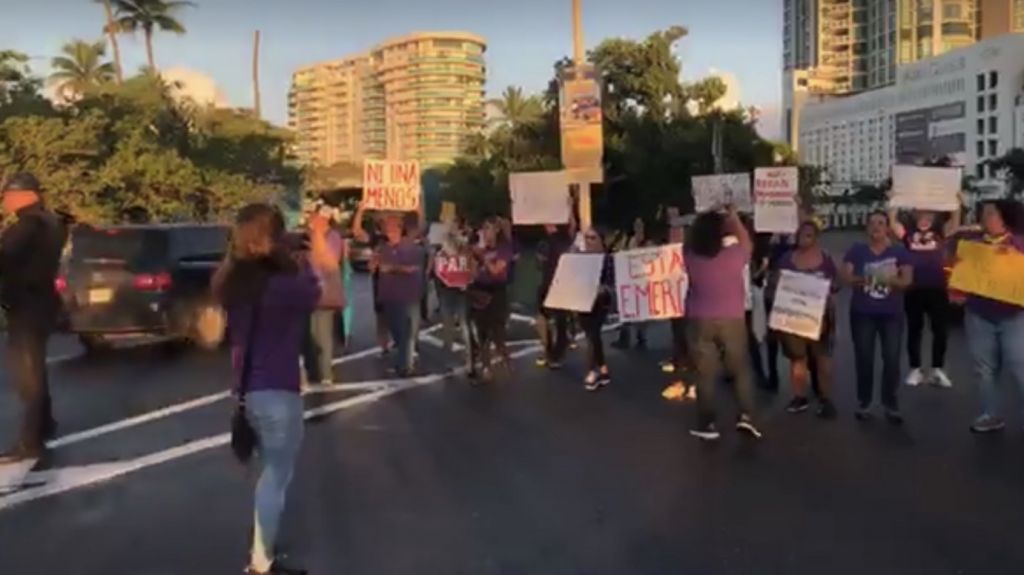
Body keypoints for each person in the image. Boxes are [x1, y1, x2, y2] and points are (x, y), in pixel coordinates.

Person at [213, 203, 339, 575]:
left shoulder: (231, 282)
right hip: (278, 393)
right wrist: (317, 240)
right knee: (276, 478)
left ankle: (260, 552)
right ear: (273, 238)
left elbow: (230, 269)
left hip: (245, 390)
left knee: (268, 474)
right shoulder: (284, 285)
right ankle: (261, 563)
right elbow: (335, 295)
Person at [0, 173, 68, 463]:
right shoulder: (51, 222)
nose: (4, 201)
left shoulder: (28, 226)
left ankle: (31, 441)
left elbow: (4, 257)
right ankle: (46, 423)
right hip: (41, 302)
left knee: (28, 375)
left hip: (26, 305)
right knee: (35, 368)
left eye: (7, 195)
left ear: (25, 195)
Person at [684, 205, 761, 441]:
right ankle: (746, 416)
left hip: (699, 319)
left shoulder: (689, 255)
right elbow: (747, 241)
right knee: (740, 370)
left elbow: (682, 240)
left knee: (705, 373)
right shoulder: (735, 255)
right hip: (732, 318)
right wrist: (733, 219)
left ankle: (707, 424)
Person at [956, 200, 1024, 433]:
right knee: (984, 369)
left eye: (991, 213)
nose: (986, 218)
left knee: (1019, 367)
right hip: (979, 315)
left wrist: (1013, 247)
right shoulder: (974, 247)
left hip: (1014, 316)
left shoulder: (1018, 244)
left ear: (1005, 217)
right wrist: (956, 291)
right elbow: (960, 274)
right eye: (984, 214)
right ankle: (990, 414)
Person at [841, 210, 913, 424]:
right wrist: (863, 279)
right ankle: (865, 401)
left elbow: (907, 281)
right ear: (866, 228)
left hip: (891, 314)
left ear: (887, 228)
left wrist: (887, 279)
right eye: (872, 223)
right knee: (864, 359)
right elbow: (845, 276)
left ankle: (890, 403)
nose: (876, 227)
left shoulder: (900, 252)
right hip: (863, 313)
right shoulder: (857, 250)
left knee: (891, 360)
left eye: (881, 223)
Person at [770, 221, 839, 419]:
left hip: (820, 319)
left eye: (809, 235)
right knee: (797, 359)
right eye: (801, 234)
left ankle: (826, 399)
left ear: (816, 238)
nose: (804, 238)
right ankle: (799, 397)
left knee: (823, 360)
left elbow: (836, 284)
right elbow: (775, 282)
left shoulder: (825, 259)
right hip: (793, 320)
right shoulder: (786, 259)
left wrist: (823, 291)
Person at [888, 203, 961, 388]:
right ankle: (915, 369)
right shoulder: (908, 234)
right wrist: (894, 202)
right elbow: (892, 221)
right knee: (914, 329)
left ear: (935, 217)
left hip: (937, 288)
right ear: (914, 215)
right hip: (914, 288)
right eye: (920, 214)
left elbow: (955, 219)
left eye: (928, 215)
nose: (924, 218)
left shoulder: (940, 233)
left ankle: (938, 369)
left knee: (940, 330)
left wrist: (956, 201)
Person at [357, 205, 424, 377]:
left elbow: (412, 269)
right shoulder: (383, 248)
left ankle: (405, 366)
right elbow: (373, 267)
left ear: (400, 229)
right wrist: (374, 264)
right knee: (396, 331)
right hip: (388, 295)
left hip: (407, 296)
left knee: (406, 332)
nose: (389, 230)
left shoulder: (410, 247)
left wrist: (392, 268)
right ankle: (402, 363)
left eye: (393, 227)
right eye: (387, 227)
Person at [301, 206, 343, 387]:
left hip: (325, 291)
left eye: (315, 217)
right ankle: (313, 371)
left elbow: (329, 260)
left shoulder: (332, 237)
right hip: (305, 288)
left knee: (323, 333)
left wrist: (317, 235)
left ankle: (325, 372)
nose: (312, 220)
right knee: (307, 334)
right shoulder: (307, 236)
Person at [468, 218, 513, 382]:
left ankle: (505, 358)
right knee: (482, 331)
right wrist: (475, 258)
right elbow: (472, 274)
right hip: (479, 291)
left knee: (498, 331)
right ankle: (486, 366)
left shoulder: (503, 249)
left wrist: (484, 259)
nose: (486, 233)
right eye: (484, 229)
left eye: (489, 229)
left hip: (497, 292)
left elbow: (496, 270)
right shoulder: (479, 250)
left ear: (496, 231)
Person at [534, 214, 576, 369]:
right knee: (550, 319)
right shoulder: (547, 241)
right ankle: (551, 350)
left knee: (558, 320)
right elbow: (540, 262)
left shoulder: (563, 238)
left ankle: (554, 352)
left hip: (558, 284)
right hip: (550, 283)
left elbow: (572, 225)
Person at [660, 223, 695, 402]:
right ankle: (680, 383)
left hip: (691, 308)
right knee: (679, 345)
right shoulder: (665, 255)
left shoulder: (692, 254)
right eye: (672, 233)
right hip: (674, 308)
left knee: (693, 348)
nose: (674, 236)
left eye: (678, 232)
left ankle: (694, 385)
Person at [433, 226, 475, 373]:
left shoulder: (444, 254)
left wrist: (462, 281)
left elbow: (440, 274)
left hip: (451, 291)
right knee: (462, 326)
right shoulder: (461, 253)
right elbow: (471, 270)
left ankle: (455, 361)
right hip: (458, 290)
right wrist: (466, 282)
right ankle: (467, 361)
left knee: (452, 327)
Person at [577, 227, 615, 391]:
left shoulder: (607, 260)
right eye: (587, 238)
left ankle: (592, 371)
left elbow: (613, 282)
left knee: (592, 335)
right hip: (583, 301)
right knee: (593, 335)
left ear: (601, 241)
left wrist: (603, 289)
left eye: (593, 238)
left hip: (600, 303)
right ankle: (603, 369)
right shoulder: (580, 259)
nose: (589, 242)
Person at [613, 217, 650, 350]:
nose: (638, 228)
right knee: (627, 310)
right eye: (636, 225)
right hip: (629, 281)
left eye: (640, 225)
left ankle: (640, 337)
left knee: (640, 312)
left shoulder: (646, 243)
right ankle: (626, 337)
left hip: (641, 281)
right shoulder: (628, 240)